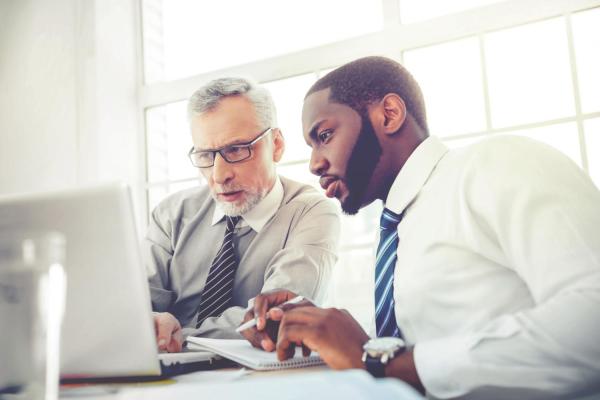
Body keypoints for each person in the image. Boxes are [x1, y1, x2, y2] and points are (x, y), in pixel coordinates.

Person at [239, 57, 600, 398]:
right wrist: (315, 325)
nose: (315, 163)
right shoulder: (397, 230)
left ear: (390, 114)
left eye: (325, 135)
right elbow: (439, 339)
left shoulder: (497, 162)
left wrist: (382, 363)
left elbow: (592, 322)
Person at [145, 77, 340, 353]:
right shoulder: (171, 215)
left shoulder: (312, 212)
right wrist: (148, 324)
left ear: (277, 145)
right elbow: (132, 312)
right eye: (205, 155)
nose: (219, 175)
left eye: (236, 150)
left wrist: (177, 337)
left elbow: (273, 317)